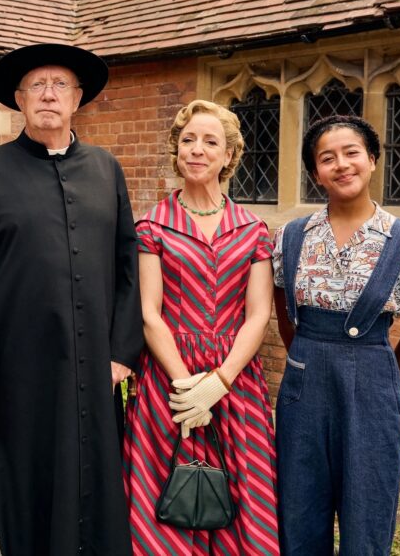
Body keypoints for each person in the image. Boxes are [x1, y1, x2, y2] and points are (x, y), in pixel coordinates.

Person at [0, 43, 143, 555]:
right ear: (19, 99)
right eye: (37, 86)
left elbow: (128, 265)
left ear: (78, 98)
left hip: (96, 371)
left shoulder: (106, 168)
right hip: (17, 375)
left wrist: (122, 353)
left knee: (94, 486)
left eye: (60, 85)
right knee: (20, 493)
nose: (49, 95)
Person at [273, 115, 400, 555]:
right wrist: (307, 360)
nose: (341, 165)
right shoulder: (290, 237)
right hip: (303, 383)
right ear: (315, 173)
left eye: (351, 153)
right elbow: (286, 317)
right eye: (327, 158)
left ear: (371, 160)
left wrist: (382, 378)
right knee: (299, 506)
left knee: (368, 512)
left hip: (374, 383)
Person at [122, 100, 280, 554]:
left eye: (210, 141)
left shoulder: (253, 229)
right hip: (170, 381)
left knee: (243, 495)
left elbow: (258, 315)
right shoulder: (153, 225)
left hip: (235, 381)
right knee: (167, 494)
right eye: (188, 140)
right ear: (177, 150)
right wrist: (187, 387)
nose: (197, 150)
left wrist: (220, 382)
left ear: (229, 155)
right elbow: (149, 313)